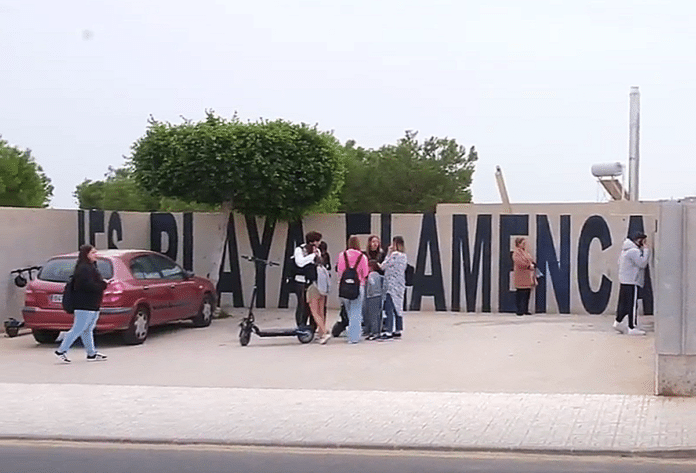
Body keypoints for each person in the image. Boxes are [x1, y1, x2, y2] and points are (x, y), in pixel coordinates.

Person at [54, 244, 108, 363]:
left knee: (87, 329)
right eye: (93, 253)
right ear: (86, 254)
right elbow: (87, 285)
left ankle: (91, 354)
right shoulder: (83, 269)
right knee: (78, 329)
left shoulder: (91, 266)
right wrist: (102, 285)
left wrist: (101, 284)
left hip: (93, 304)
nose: (96, 255)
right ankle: (61, 350)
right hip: (84, 304)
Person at [614, 232, 650, 335]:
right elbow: (642, 263)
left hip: (625, 280)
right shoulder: (633, 251)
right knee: (632, 305)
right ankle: (631, 326)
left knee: (624, 303)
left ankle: (618, 321)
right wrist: (646, 250)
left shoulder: (625, 250)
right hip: (632, 281)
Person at [336, 235, 369, 344]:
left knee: (349, 311)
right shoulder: (362, 257)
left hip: (345, 286)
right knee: (357, 311)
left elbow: (340, 271)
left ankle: (351, 332)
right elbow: (365, 273)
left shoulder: (342, 255)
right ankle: (354, 337)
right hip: (358, 286)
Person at [292, 231, 322, 328]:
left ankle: (313, 327)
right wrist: (312, 256)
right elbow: (300, 262)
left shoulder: (317, 251)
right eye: (317, 241)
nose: (318, 243)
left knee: (313, 305)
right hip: (300, 281)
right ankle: (301, 325)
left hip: (313, 281)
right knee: (302, 304)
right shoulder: (299, 250)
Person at [381, 236, 407, 339]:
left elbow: (384, 266)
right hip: (400, 285)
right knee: (398, 307)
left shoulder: (394, 255)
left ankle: (388, 330)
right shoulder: (404, 256)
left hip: (391, 286)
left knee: (389, 307)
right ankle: (398, 329)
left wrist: (388, 253)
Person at [307, 249, 332, 344]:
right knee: (321, 312)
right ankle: (322, 333)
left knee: (314, 312)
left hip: (313, 288)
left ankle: (324, 333)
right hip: (322, 289)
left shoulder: (309, 266)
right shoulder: (322, 266)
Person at [512, 237, 537, 316]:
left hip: (527, 275)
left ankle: (525, 309)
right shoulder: (516, 253)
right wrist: (528, 266)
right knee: (520, 293)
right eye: (523, 243)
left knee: (527, 293)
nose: (524, 245)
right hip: (521, 275)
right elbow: (519, 262)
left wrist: (533, 263)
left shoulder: (525, 252)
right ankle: (519, 310)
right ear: (518, 244)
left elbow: (529, 259)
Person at [364, 259, 385, 341]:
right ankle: (378, 331)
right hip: (379, 296)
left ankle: (374, 332)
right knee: (378, 314)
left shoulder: (371, 275)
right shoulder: (379, 275)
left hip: (372, 296)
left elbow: (371, 283)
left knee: (373, 315)